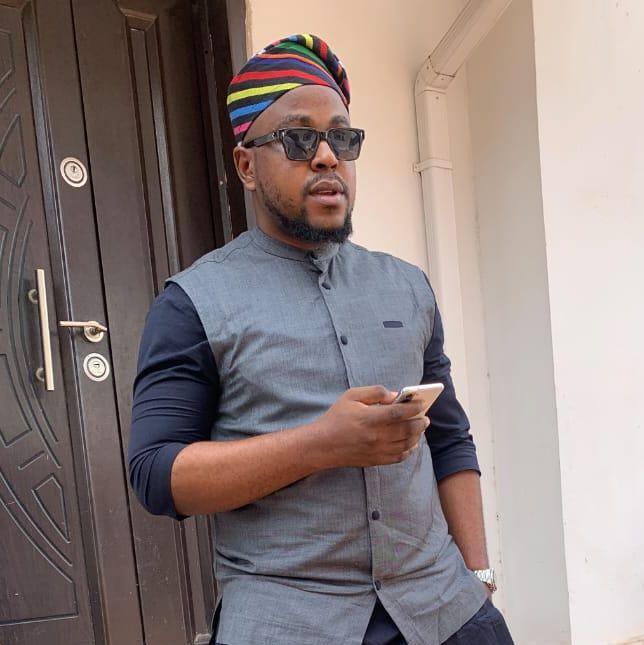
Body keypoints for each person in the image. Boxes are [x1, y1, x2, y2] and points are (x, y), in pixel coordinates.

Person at [128, 33, 514, 645]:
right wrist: (320, 444)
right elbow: (157, 473)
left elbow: (448, 438)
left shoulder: (407, 287)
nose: (328, 157)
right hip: (288, 621)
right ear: (246, 166)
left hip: (443, 608)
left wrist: (478, 575)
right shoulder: (192, 303)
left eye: (342, 137)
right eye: (299, 139)